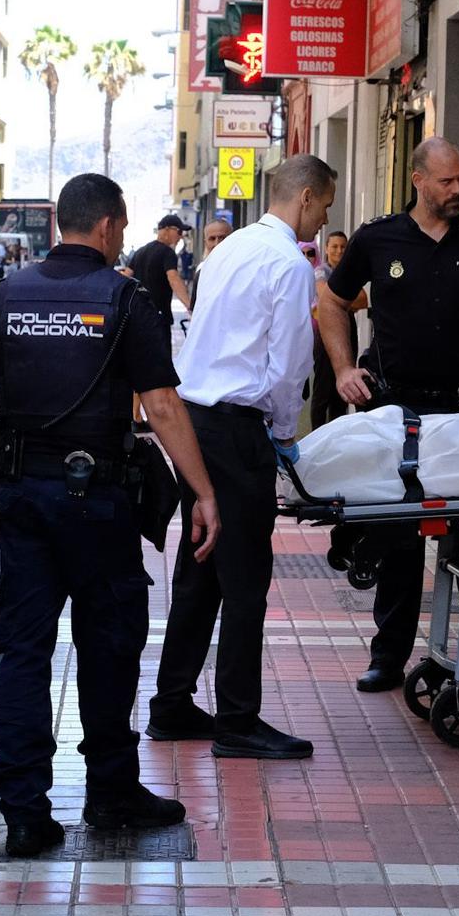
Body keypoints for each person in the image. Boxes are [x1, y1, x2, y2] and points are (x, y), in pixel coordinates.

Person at [0, 173, 221, 858]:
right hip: (99, 504)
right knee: (108, 644)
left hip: (23, 500)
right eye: (120, 227)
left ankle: (26, 813)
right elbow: (161, 406)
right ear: (107, 226)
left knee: (24, 652)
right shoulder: (124, 300)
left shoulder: (7, 295)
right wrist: (203, 492)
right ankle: (111, 792)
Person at [317, 137, 459, 698]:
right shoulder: (376, 237)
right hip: (397, 408)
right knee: (398, 536)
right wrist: (345, 368)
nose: (458, 190)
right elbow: (331, 301)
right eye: (447, 181)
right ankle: (388, 658)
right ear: (418, 180)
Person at [148, 155, 337, 760]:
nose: (325, 217)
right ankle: (237, 719)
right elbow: (288, 366)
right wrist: (283, 436)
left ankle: (173, 704)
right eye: (326, 206)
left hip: (196, 423)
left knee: (201, 568)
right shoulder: (289, 262)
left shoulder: (225, 250)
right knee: (247, 578)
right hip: (236, 431)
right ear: (306, 198)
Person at [309, 230, 363, 430]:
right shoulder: (321, 271)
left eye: (343, 246)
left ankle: (336, 435)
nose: (339, 251)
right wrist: (346, 302)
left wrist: (340, 303)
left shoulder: (350, 273)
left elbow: (364, 300)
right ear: (326, 248)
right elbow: (325, 299)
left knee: (343, 390)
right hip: (324, 330)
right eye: (335, 246)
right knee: (323, 389)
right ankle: (316, 437)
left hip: (348, 327)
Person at [128, 214, 192, 316]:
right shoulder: (168, 253)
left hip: (137, 314)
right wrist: (190, 306)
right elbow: (174, 278)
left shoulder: (140, 251)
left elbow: (127, 275)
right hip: (159, 316)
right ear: (167, 229)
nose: (181, 236)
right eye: (179, 231)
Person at [188, 218, 231, 312]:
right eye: (212, 239)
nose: (217, 243)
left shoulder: (244, 269)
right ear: (205, 242)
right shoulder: (202, 271)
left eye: (222, 238)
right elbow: (195, 311)